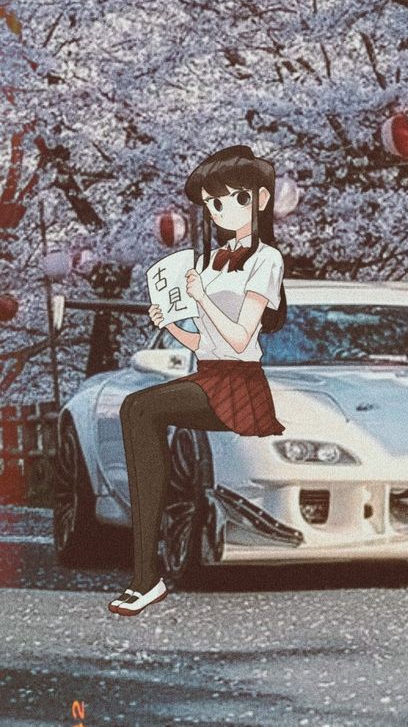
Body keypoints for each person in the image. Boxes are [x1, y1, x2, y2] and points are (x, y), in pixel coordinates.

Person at [107, 144, 287, 616]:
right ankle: (147, 571)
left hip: (240, 388)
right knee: (139, 411)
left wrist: (201, 300)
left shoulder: (265, 261)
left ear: (261, 201)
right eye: (213, 203)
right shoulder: (210, 263)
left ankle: (147, 576)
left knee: (138, 409)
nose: (222, 211)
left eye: (233, 199)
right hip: (210, 376)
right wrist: (169, 323)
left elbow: (240, 335)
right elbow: (205, 344)